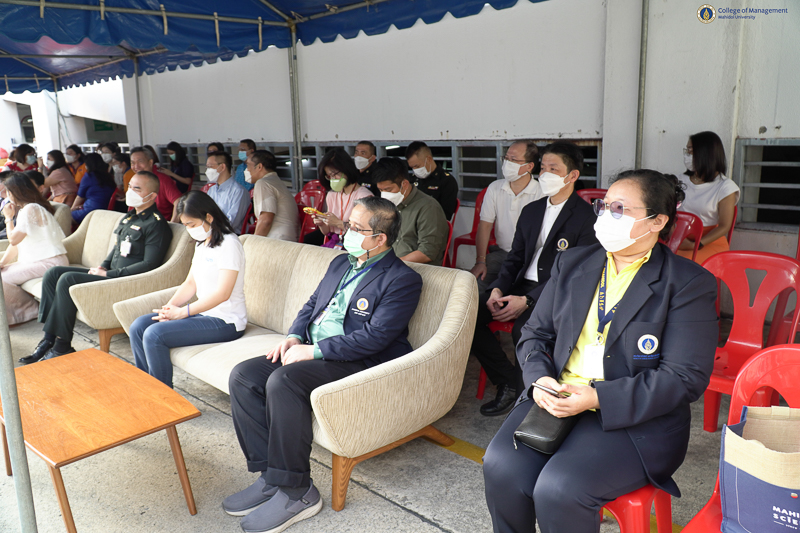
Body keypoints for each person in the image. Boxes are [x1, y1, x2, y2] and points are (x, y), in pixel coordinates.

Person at [483, 169, 719, 533]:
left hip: (633, 416)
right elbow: (535, 333)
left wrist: (596, 397)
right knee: (501, 467)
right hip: (556, 396)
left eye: (620, 209)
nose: (606, 215)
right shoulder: (573, 263)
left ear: (657, 221)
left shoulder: (686, 283)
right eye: (604, 206)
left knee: (560, 488)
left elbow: (684, 377)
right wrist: (540, 379)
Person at [223, 197, 422, 533]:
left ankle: (297, 492)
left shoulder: (402, 279)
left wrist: (315, 352)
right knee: (244, 376)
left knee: (284, 381)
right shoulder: (341, 262)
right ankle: (272, 477)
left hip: (359, 361)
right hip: (313, 350)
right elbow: (312, 304)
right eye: (349, 225)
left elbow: (375, 338)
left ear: (380, 238)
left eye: (356, 229)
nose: (347, 233)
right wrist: (294, 337)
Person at [472, 142, 599, 416]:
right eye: (543, 168)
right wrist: (498, 289)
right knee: (469, 317)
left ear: (572, 175)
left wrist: (528, 300)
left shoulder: (586, 218)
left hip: (554, 292)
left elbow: (574, 274)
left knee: (524, 331)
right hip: (520, 285)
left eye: (554, 169)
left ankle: (524, 402)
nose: (545, 174)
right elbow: (515, 257)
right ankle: (508, 381)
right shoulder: (532, 210)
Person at [20, 171, 173, 364]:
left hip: (124, 281)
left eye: (137, 189)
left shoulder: (156, 225)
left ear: (151, 196)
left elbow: (149, 265)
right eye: (130, 186)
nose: (130, 191)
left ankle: (62, 346)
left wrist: (108, 274)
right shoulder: (130, 217)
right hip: (109, 274)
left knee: (68, 279)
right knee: (53, 273)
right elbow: (118, 248)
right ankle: (49, 339)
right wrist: (102, 266)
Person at [129, 191, 246, 388]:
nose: (189, 230)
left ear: (208, 217)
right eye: (185, 225)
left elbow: (223, 294)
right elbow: (190, 283)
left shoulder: (229, 244)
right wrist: (168, 309)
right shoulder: (203, 243)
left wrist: (183, 312)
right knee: (138, 326)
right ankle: (147, 387)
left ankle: (162, 396)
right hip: (204, 315)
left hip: (226, 321)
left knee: (154, 334)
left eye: (192, 224)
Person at [471, 140, 542, 293]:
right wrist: (480, 261)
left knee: (522, 294)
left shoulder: (541, 192)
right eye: (506, 158)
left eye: (514, 160)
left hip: (531, 258)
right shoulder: (495, 188)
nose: (507, 163)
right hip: (502, 254)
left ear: (529, 166)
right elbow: (485, 226)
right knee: (475, 289)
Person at [0, 173, 68, 325]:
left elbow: (13, 239)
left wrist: (8, 218)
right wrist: (3, 262)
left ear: (16, 192)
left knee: (3, 279)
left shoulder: (31, 208)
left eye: (8, 191)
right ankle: (18, 312)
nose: (6, 195)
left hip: (50, 262)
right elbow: (16, 244)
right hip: (39, 260)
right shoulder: (27, 209)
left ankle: (32, 309)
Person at [676, 131, 739, 264]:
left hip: (708, 242)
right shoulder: (679, 180)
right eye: (687, 151)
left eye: (691, 151)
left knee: (683, 265)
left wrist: (696, 245)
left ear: (705, 154)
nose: (687, 155)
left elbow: (724, 226)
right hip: (677, 237)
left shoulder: (725, 186)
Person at [374, 157, 448, 265]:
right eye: (381, 190)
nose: (384, 194)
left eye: (388, 190)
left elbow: (427, 253)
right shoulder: (389, 205)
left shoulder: (428, 207)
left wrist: (392, 264)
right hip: (391, 264)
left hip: (415, 267)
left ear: (404, 184)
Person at [312, 148, 372, 247]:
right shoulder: (331, 195)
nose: (333, 179)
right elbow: (327, 232)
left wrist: (338, 223)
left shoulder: (364, 196)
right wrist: (321, 223)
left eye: (334, 174)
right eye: (329, 176)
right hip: (335, 242)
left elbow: (364, 233)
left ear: (346, 169)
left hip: (355, 245)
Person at [246, 150, 299, 241]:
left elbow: (266, 220)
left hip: (277, 240)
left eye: (248, 165)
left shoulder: (263, 183)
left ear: (259, 166)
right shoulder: (277, 182)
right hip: (288, 239)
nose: (247, 170)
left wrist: (253, 242)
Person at [405, 141, 459, 220]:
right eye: (412, 167)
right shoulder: (412, 180)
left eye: (417, 166)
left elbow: (446, 216)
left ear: (429, 159)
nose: (415, 170)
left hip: (432, 223)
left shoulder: (447, 181)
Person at [130, 147, 182, 221]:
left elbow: (179, 201)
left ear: (150, 162)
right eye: (133, 163)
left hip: (159, 223)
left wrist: (173, 224)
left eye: (140, 162)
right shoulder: (134, 180)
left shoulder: (162, 180)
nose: (136, 166)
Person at [206, 151, 251, 233]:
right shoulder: (211, 190)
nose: (207, 171)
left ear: (222, 167)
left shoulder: (238, 191)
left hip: (230, 235)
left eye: (210, 167)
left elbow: (231, 223)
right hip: (212, 233)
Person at [70, 153, 116, 223]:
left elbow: (80, 197)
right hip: (104, 210)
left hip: (90, 212)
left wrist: (72, 209)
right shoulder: (108, 176)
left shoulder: (89, 176)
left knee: (65, 216)